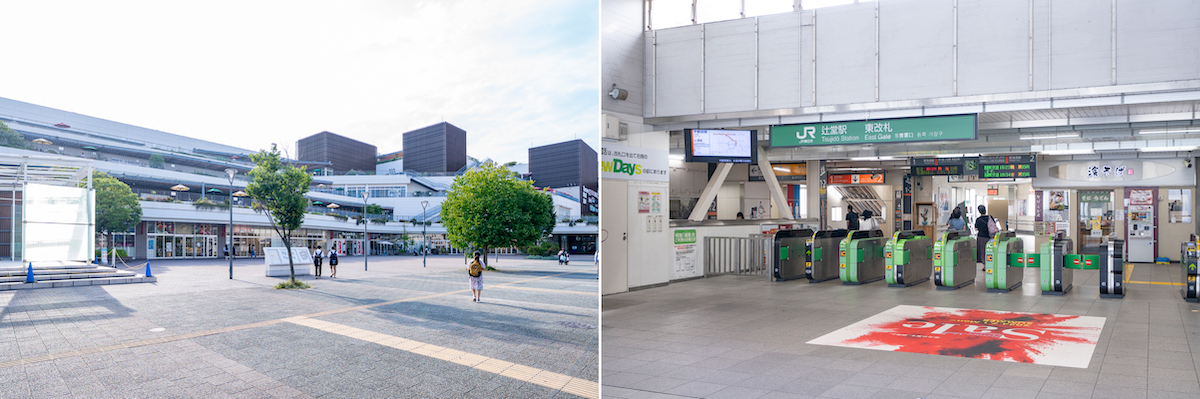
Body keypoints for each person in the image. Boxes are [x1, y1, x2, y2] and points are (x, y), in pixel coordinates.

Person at [975, 205, 995, 271]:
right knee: (990, 250)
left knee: (982, 251)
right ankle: (991, 263)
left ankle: (985, 266)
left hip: (981, 237)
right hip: (989, 237)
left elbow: (976, 229)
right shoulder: (990, 217)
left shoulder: (978, 219)